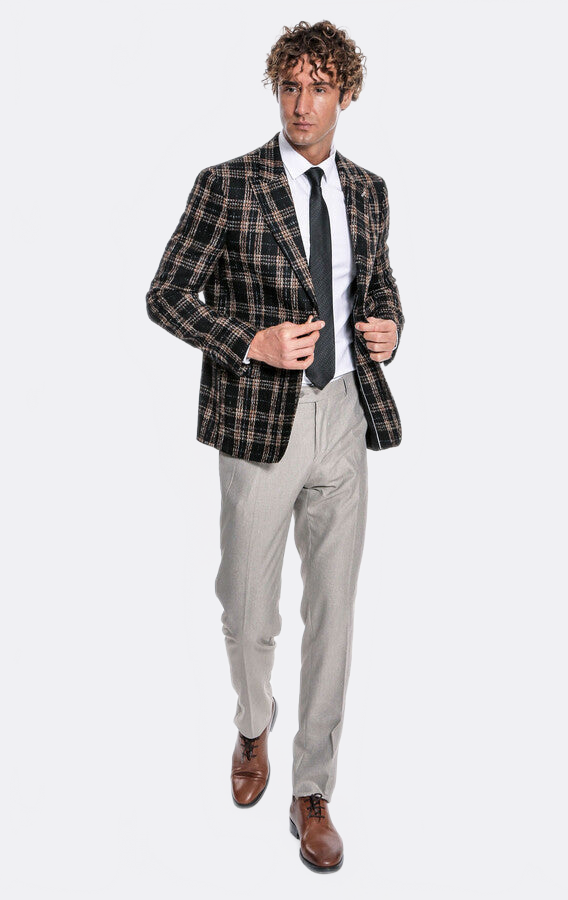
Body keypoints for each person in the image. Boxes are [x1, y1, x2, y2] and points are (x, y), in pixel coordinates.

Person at [146, 19, 405, 873]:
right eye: (290, 86)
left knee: (334, 612)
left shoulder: (368, 191)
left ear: (346, 95)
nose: (302, 103)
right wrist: (248, 340)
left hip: (345, 414)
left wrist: (391, 327)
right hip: (260, 421)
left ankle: (312, 789)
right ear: (277, 90)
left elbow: (377, 284)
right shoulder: (227, 184)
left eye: (319, 87)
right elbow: (165, 295)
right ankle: (252, 725)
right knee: (248, 608)